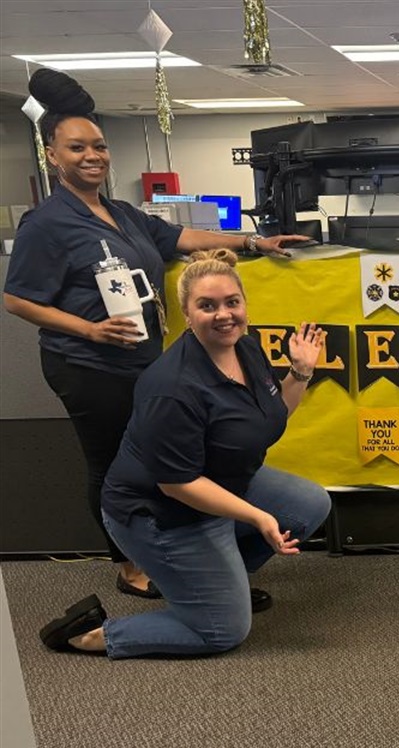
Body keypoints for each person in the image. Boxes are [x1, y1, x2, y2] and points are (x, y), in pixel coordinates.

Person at [3, 69, 310, 599]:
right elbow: (17, 299)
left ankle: (186, 556)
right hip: (89, 365)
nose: (93, 155)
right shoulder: (46, 223)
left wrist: (252, 242)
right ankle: (130, 567)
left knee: (160, 459)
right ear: (52, 155)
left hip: (142, 358)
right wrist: (90, 330)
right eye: (77, 147)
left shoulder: (120, 213)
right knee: (113, 465)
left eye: (99, 146)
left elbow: (181, 236)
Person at [38, 250, 331, 657]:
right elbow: (177, 484)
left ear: (245, 304)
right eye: (207, 306)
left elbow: (273, 416)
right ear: (187, 315)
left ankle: (215, 581)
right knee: (222, 631)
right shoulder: (172, 387)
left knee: (310, 505)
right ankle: (93, 634)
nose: (223, 314)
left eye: (232, 302)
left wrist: (300, 372)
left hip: (220, 484)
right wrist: (257, 516)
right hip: (162, 513)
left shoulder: (247, 350)